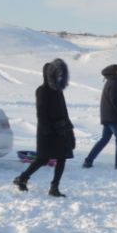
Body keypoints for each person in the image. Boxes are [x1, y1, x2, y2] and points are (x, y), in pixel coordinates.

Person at [14, 59, 75, 197]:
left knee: (62, 158)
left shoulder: (59, 90)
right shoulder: (42, 90)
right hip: (47, 132)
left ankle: (54, 188)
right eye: (56, 73)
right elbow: (41, 112)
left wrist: (69, 131)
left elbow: (64, 112)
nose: (59, 76)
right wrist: (47, 130)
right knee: (42, 159)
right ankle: (22, 178)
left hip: (61, 130)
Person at [81, 64, 117, 169]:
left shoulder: (110, 82)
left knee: (104, 139)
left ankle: (88, 160)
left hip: (108, 117)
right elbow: (115, 100)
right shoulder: (115, 83)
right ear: (116, 72)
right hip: (114, 118)